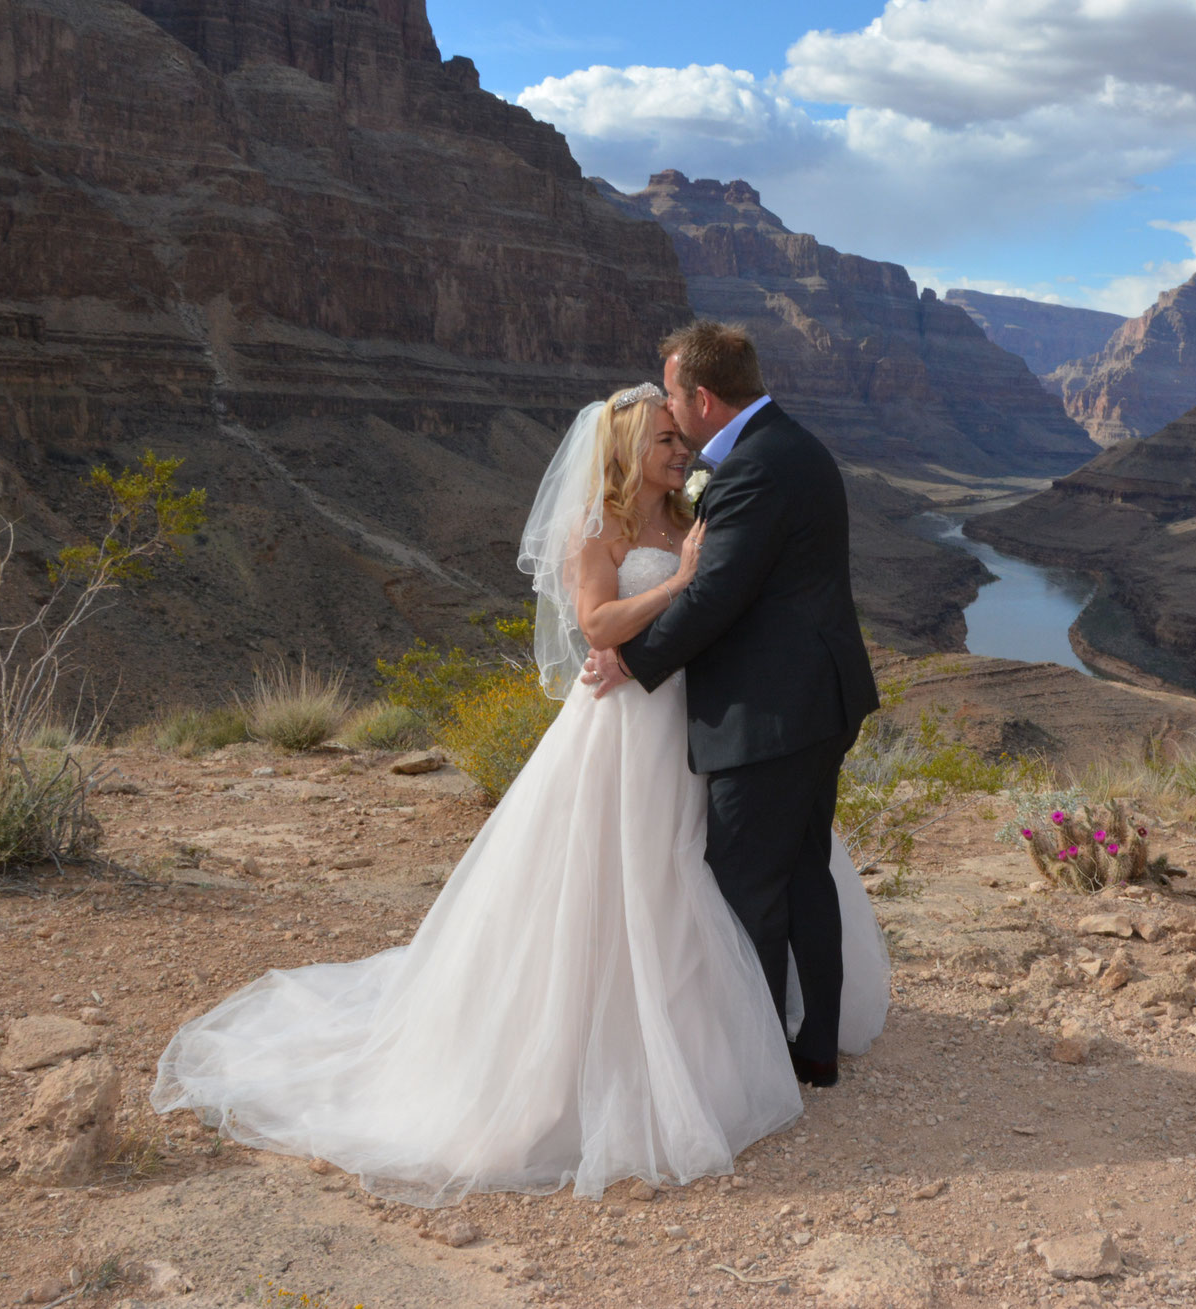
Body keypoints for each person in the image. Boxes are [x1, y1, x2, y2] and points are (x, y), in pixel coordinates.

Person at [150, 381, 888, 1208]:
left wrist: (693, 587)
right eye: (663, 443)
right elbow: (599, 626)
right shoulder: (598, 531)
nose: (680, 454)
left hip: (694, 715)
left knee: (697, 874)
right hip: (624, 726)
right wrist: (676, 587)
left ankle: (708, 1036)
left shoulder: (691, 516)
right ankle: (606, 1050)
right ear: (623, 452)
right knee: (622, 877)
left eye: (682, 441)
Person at [582, 321, 881, 1089]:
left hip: (771, 713)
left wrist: (630, 661)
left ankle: (749, 1067)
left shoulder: (752, 468)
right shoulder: (791, 446)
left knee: (741, 883)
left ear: (704, 397)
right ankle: (812, 1046)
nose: (673, 419)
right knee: (804, 872)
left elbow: (715, 595)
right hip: (818, 700)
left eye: (677, 399)